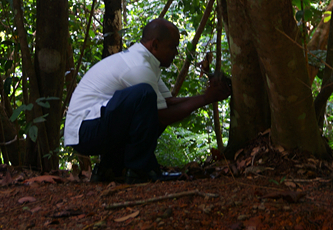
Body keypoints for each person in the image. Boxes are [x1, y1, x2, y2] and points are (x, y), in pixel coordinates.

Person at [64, 18, 232, 183]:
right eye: (172, 47)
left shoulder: (145, 62)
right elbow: (162, 115)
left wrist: (208, 95)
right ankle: (140, 169)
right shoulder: (139, 67)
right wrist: (206, 98)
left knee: (149, 101)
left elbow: (168, 102)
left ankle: (112, 168)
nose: (176, 53)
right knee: (145, 95)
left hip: (89, 128)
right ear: (155, 44)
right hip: (84, 132)